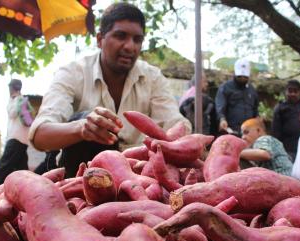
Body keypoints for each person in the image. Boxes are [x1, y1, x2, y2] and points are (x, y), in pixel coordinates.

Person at [29, 3, 191, 177]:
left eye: (137, 40)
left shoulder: (153, 78)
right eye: (121, 36)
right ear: (100, 40)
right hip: (83, 177)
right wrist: (82, 128)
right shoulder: (72, 73)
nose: (130, 46)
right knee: (87, 118)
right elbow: (40, 135)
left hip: (140, 176)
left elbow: (175, 125)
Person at [0, 79, 29, 190]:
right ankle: (27, 189)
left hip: (15, 138)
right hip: (23, 139)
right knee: (22, 169)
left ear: (11, 88)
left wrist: (12, 99)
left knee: (4, 166)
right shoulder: (24, 100)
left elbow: (12, 113)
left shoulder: (18, 99)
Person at [215, 58, 259, 136]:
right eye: (240, 76)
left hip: (248, 133)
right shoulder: (225, 88)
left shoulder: (252, 90)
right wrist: (222, 119)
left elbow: (255, 110)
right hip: (231, 131)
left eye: (245, 77)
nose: (242, 78)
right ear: (235, 73)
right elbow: (220, 106)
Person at [271, 79, 300, 161]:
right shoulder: (280, 108)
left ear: (299, 92)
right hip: (285, 148)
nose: (293, 94)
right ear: (286, 92)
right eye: (290, 91)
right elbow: (275, 131)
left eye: (295, 91)